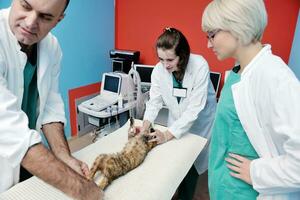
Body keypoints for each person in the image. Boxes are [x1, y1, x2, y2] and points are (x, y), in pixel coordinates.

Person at [0, 0, 103, 199]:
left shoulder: (52, 47)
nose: (30, 23)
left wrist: (63, 156)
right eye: (26, 6)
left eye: (46, 17)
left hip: (29, 158)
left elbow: (50, 106)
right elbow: (7, 129)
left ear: (58, 20)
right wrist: (82, 189)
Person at [202, 0, 300, 199]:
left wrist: (256, 172)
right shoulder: (239, 73)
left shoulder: (274, 76)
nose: (208, 43)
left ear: (237, 26)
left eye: (212, 35)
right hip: (223, 188)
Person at [130, 27, 217, 200]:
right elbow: (154, 101)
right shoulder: (159, 70)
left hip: (201, 125)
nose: (165, 64)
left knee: (192, 166)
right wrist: (145, 125)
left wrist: (168, 134)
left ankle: (185, 196)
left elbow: (194, 109)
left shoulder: (199, 66)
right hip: (177, 121)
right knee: (175, 162)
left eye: (170, 59)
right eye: (161, 59)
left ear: (182, 55)